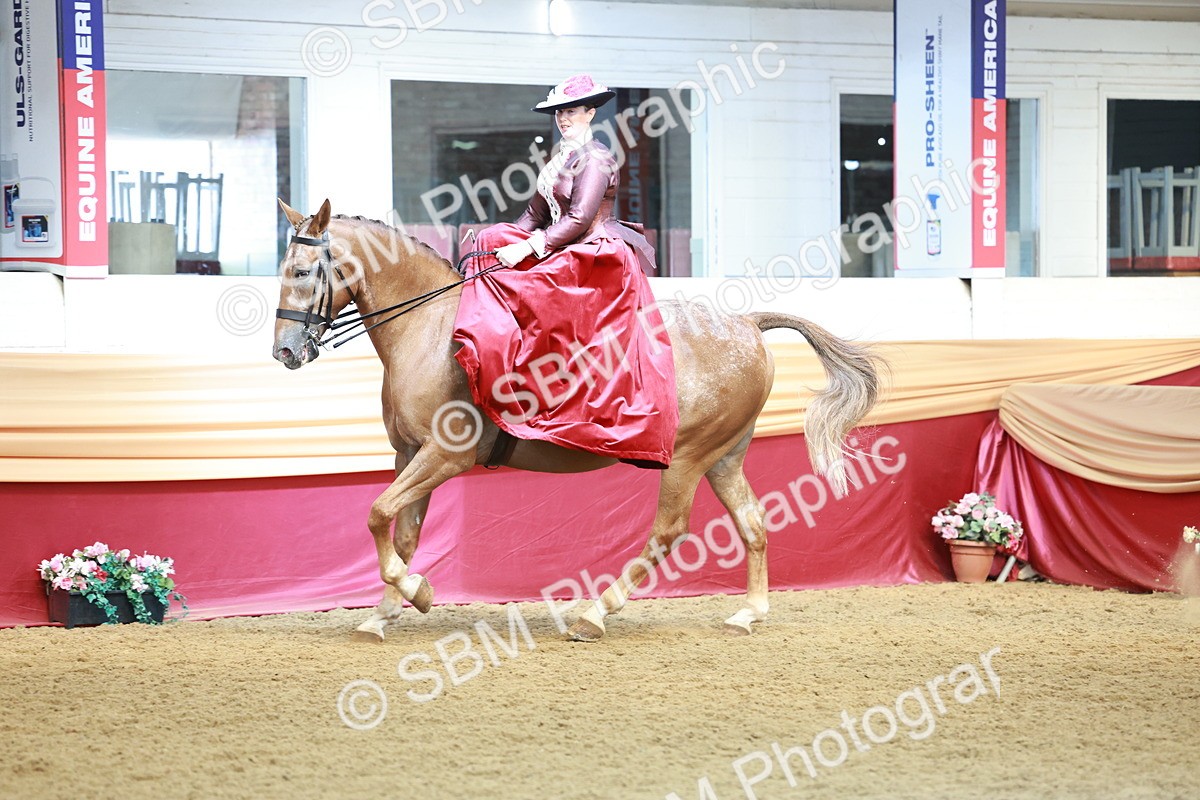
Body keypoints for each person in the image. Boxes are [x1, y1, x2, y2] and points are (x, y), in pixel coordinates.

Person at [451, 74, 678, 468]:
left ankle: (548, 393)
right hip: (562, 245)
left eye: (571, 111)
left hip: (594, 253)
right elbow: (532, 216)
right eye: (559, 112)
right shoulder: (560, 160)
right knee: (490, 239)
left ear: (590, 113)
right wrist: (498, 242)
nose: (563, 118)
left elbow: (578, 219)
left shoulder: (597, 158)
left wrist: (528, 246)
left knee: (536, 290)